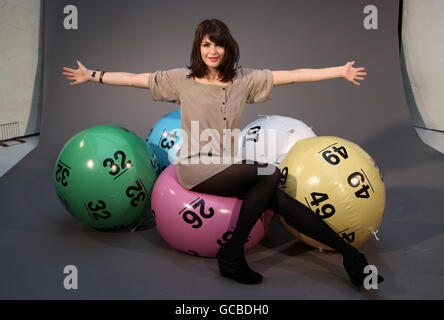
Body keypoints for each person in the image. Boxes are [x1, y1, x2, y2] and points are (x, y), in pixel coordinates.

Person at [62, 19, 383, 287]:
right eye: (206, 45)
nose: (212, 51)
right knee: (269, 172)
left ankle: (351, 258)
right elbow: (136, 80)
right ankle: (232, 253)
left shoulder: (243, 80)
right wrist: (93, 75)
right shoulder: (182, 80)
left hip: (228, 166)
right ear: (198, 49)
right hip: (197, 168)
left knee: (281, 201)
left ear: (227, 48)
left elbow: (293, 75)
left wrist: (339, 71)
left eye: (218, 44)